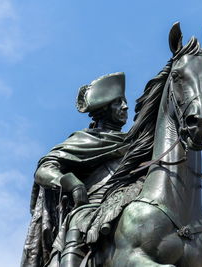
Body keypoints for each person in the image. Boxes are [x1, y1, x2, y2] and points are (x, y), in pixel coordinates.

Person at [21, 72, 130, 267]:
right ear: (104, 109)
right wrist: (72, 183)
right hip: (91, 208)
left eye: (124, 101)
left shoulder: (136, 143)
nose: (125, 106)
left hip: (130, 203)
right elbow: (44, 169)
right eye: (118, 102)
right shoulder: (84, 140)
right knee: (78, 226)